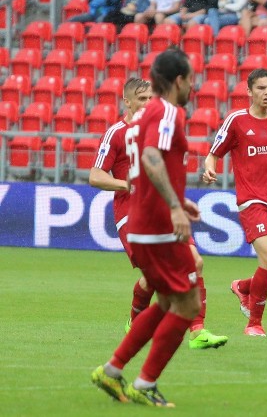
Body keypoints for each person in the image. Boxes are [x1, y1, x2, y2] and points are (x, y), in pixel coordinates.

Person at [90, 49, 202, 408]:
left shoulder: (141, 119)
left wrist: (178, 199)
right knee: (188, 303)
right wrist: (173, 205)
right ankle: (146, 382)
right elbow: (152, 157)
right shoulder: (168, 111)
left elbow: (148, 165)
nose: (193, 86)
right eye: (191, 78)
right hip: (158, 225)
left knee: (169, 299)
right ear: (179, 80)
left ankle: (112, 370)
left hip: (143, 220)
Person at [90, 78, 228, 349]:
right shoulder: (116, 133)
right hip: (132, 213)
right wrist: (125, 184)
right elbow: (95, 176)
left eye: (150, 99)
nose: (147, 105)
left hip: (163, 208)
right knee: (156, 276)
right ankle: (136, 322)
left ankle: (197, 331)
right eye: (141, 99)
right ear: (127, 102)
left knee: (195, 262)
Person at [203, 69, 267, 337]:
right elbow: (213, 154)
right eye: (261, 88)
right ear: (249, 91)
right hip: (252, 201)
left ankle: (243, 287)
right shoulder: (236, 121)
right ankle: (254, 324)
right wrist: (209, 169)